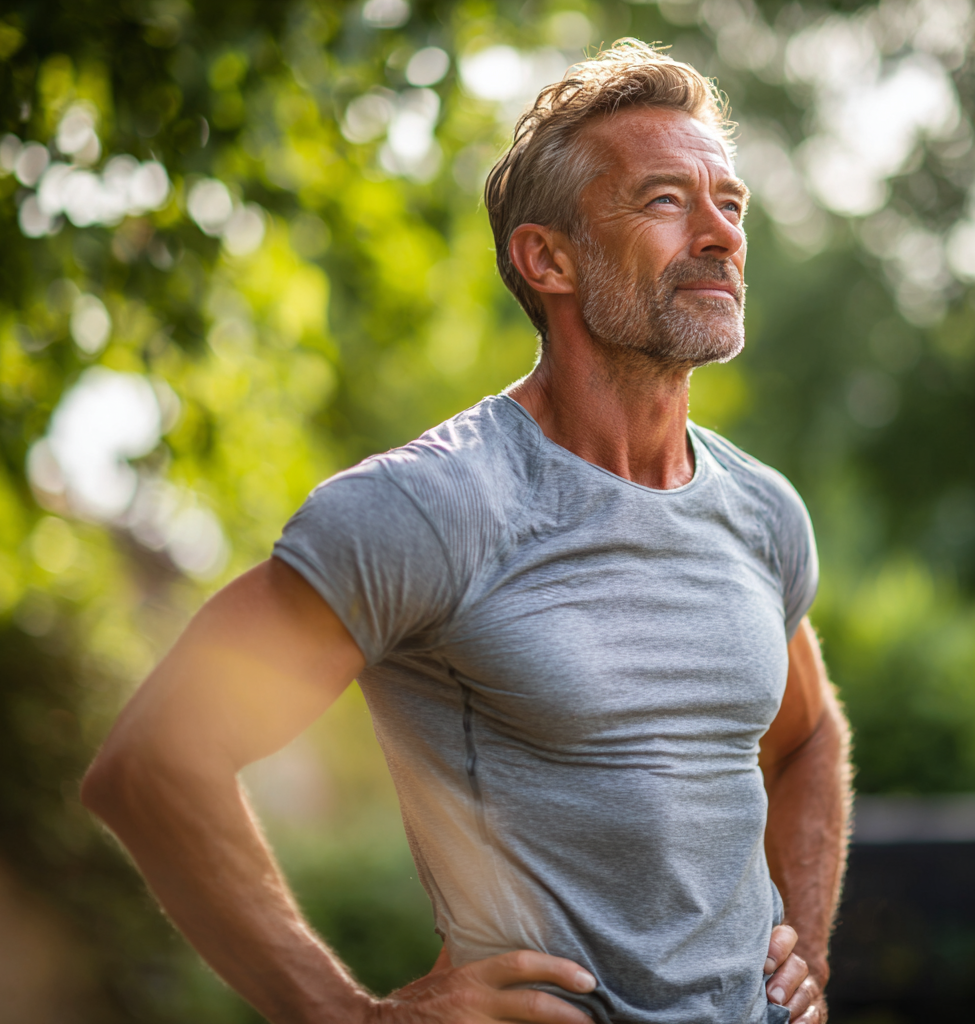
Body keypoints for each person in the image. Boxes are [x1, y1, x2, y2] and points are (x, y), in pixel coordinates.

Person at [82, 39, 851, 1024]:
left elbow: (808, 735)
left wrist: (807, 948)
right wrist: (347, 1014)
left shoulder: (760, 511)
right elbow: (153, 763)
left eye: (729, 203)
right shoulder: (431, 507)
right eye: (665, 200)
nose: (718, 235)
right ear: (547, 258)